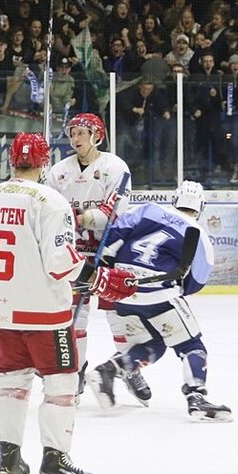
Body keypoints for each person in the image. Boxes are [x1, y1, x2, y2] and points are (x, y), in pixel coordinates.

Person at [0, 132, 136, 474]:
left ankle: (9, 465)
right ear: (44, 164)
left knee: (11, 385)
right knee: (61, 386)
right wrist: (101, 278)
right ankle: (55, 467)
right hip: (44, 315)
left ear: (12, 161)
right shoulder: (50, 200)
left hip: (3, 314)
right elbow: (60, 265)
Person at [86, 181, 233, 422]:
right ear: (201, 207)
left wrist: (109, 269)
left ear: (175, 200)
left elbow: (116, 232)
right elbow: (195, 281)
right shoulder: (199, 235)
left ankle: (108, 370)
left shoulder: (148, 209)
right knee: (191, 345)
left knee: (154, 345)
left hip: (123, 291)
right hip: (159, 294)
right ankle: (196, 397)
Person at [45, 112, 150, 404]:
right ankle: (76, 372)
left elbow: (113, 214)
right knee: (75, 321)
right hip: (76, 256)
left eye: (82, 133)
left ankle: (128, 369)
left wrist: (79, 218)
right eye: (73, 133)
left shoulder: (115, 167)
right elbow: (50, 211)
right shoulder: (59, 172)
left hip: (111, 253)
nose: (76, 138)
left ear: (97, 136)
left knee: (120, 318)